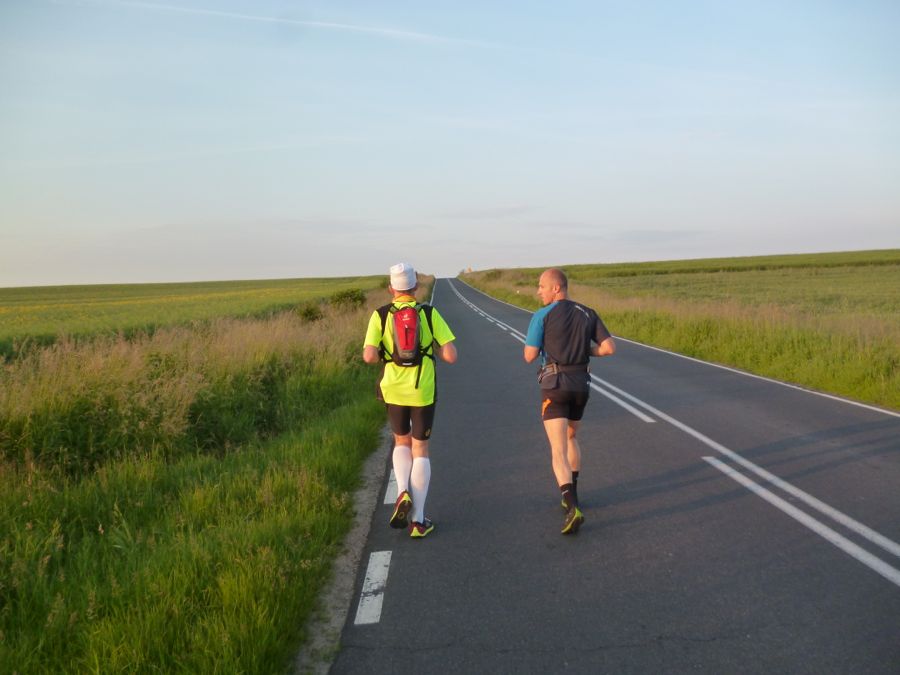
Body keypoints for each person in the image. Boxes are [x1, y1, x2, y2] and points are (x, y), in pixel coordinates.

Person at [363, 262, 457, 538]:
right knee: (421, 449)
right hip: (422, 390)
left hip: (393, 390)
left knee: (400, 441)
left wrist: (386, 354)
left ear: (391, 288)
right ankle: (418, 520)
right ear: (416, 287)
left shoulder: (380, 315)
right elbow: (451, 355)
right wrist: (433, 351)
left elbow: (369, 356)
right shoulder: (428, 313)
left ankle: (402, 490)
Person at [523, 268, 615, 534]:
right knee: (572, 437)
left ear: (556, 288)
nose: (538, 291)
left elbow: (529, 355)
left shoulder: (541, 315)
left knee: (557, 448)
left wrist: (543, 346)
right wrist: (585, 348)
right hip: (581, 386)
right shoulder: (588, 312)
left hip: (554, 386)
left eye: (541, 286)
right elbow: (609, 348)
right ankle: (574, 493)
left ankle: (571, 505)